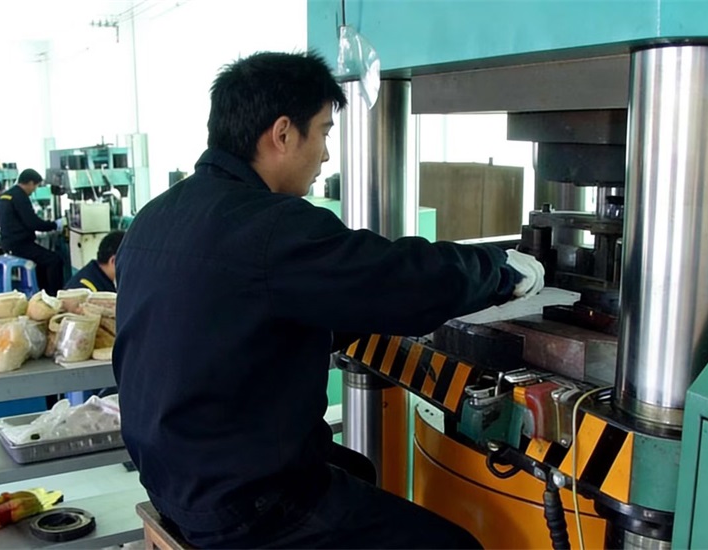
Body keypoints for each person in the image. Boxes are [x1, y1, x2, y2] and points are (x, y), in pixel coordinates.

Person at [113, 52, 545, 549]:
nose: (324, 155)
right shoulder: (271, 226)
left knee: (356, 470)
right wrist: (501, 271)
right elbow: (398, 279)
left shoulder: (156, 216)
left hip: (173, 478)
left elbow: (231, 321)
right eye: (323, 132)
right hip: (243, 505)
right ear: (282, 133)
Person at [0, 169, 65, 294]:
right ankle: (54, 295)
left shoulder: (7, 195)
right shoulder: (20, 197)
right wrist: (55, 225)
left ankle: (42, 293)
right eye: (35, 186)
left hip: (9, 243)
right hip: (20, 245)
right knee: (54, 260)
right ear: (30, 183)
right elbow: (33, 223)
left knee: (42, 260)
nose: (34, 190)